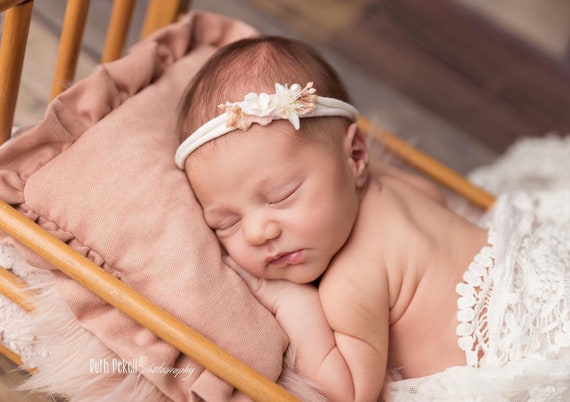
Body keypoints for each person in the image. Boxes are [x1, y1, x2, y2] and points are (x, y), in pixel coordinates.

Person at [175, 36, 570, 401]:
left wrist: (288, 300)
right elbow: (434, 199)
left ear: (356, 156)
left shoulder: (351, 281)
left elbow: (348, 391)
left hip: (525, 357)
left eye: (282, 195)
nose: (259, 232)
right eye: (225, 223)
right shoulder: (396, 186)